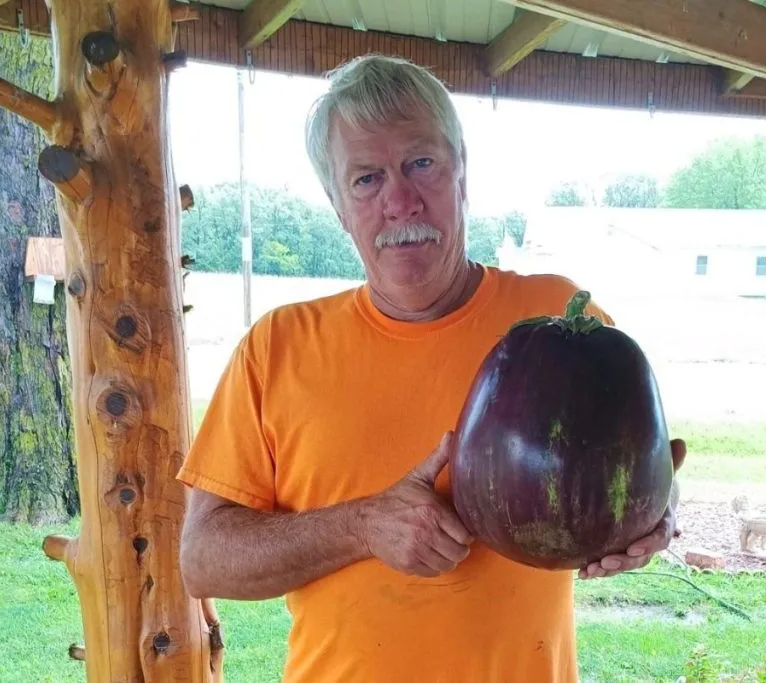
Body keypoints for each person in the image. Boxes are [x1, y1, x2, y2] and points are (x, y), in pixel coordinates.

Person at [177, 54, 686, 683]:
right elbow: (203, 559)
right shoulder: (277, 347)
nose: (400, 200)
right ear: (338, 205)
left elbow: (638, 465)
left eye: (421, 163)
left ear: (461, 173)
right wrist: (362, 526)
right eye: (366, 178)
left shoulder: (563, 320)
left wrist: (652, 514)